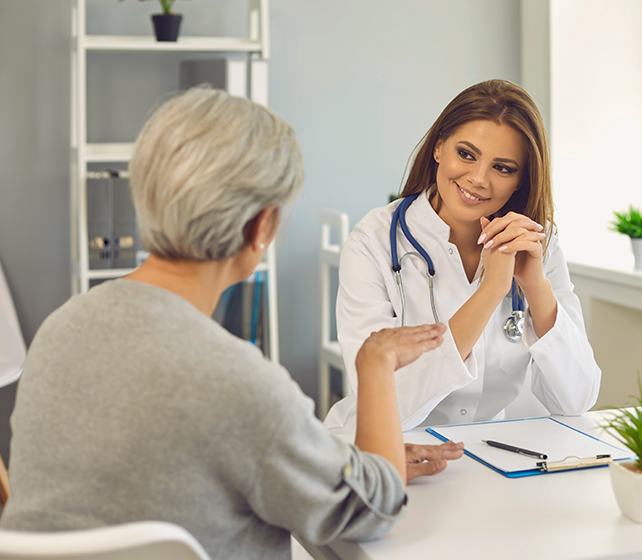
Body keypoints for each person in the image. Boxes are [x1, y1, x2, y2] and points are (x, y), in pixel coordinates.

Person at [0, 87, 462, 559]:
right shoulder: (239, 382)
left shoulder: (60, 329)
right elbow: (371, 509)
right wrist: (376, 364)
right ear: (260, 227)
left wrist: (337, 460)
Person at [325, 79, 601, 432]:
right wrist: (490, 292)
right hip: (390, 452)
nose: (478, 179)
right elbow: (385, 403)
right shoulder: (374, 241)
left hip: (493, 457)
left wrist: (535, 284)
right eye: (466, 154)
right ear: (439, 148)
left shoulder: (536, 242)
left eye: (503, 168)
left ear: (522, 180)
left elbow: (577, 400)